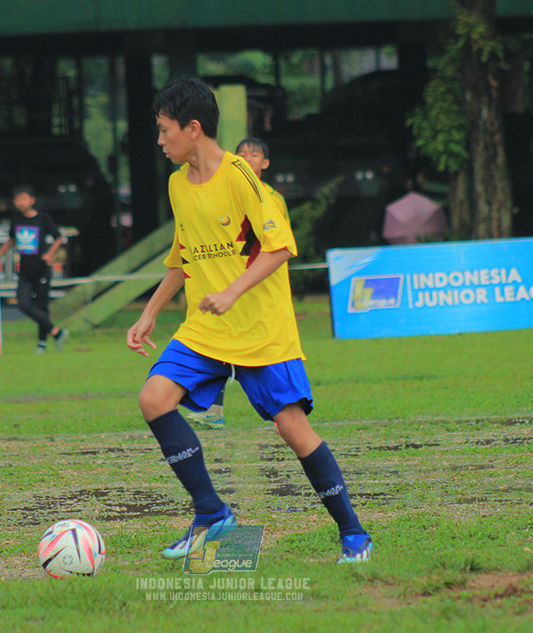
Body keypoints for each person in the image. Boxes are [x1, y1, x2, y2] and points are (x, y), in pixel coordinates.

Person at [126, 77, 371, 563]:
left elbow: (280, 248)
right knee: (154, 398)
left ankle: (354, 533)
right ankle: (211, 513)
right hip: (207, 326)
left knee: (292, 429)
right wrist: (149, 314)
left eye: (164, 130)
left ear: (193, 128)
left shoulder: (240, 176)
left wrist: (233, 290)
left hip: (260, 327)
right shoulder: (178, 184)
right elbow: (183, 258)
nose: (159, 141)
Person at [187, 137, 292, 429]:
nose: (246, 157)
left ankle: (283, 411)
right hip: (230, 284)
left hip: (256, 285)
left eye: (254, 154)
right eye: (241, 153)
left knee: (263, 351)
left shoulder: (271, 198)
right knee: (218, 341)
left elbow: (276, 246)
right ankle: (212, 409)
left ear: (265, 163)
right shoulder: (228, 190)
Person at [0, 185, 69, 354]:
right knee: (23, 303)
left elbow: (58, 238)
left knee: (42, 306)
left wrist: (50, 254)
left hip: (42, 269)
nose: (21, 202)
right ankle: (57, 332)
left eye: (24, 198)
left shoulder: (43, 218)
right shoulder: (16, 219)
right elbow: (11, 240)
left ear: (32, 200)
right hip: (25, 270)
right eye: (18, 199)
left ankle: (41, 343)